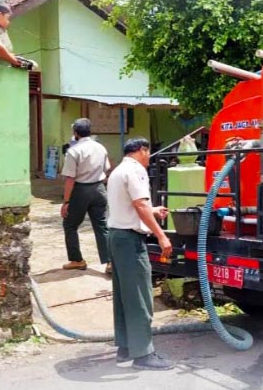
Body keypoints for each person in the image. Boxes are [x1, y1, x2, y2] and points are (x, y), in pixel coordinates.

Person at [106, 137, 174, 370]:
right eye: (148, 152)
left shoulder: (118, 170)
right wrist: (161, 236)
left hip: (116, 235)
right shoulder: (136, 171)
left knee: (125, 295)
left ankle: (125, 347)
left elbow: (132, 205)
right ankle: (143, 354)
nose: (149, 158)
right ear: (141, 151)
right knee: (140, 296)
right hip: (130, 239)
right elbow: (140, 205)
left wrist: (153, 210)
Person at [60, 118, 111, 272]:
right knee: (102, 226)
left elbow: (70, 178)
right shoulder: (100, 148)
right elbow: (107, 168)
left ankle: (77, 259)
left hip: (81, 190)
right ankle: (110, 262)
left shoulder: (73, 151)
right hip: (99, 188)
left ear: (75, 133)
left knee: (70, 225)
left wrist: (66, 201)